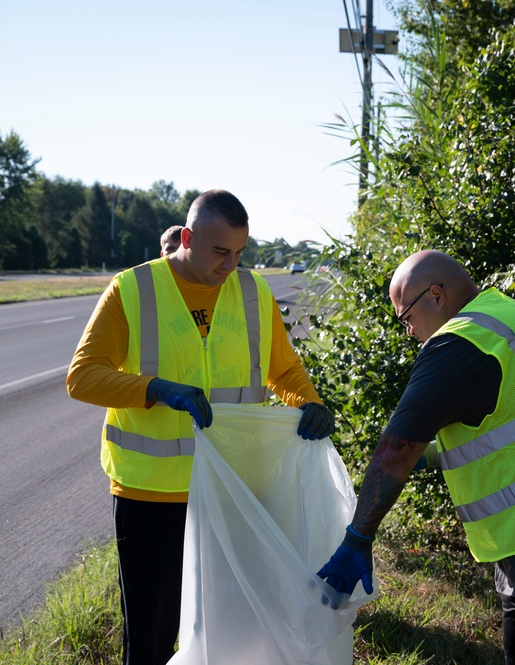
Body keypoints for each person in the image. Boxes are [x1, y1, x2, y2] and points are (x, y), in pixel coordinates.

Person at [317, 250, 515, 665]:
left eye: (407, 318)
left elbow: (393, 454)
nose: (410, 332)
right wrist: (434, 456)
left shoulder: (458, 344)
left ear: (436, 295)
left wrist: (358, 540)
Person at [67, 189, 335, 665]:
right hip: (152, 494)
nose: (230, 265)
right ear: (187, 238)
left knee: (227, 625)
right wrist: (153, 388)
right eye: (219, 252)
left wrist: (309, 403)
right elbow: (82, 376)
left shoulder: (253, 292)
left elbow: (284, 372)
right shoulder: (133, 289)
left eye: (239, 253)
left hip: (232, 489)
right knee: (151, 628)